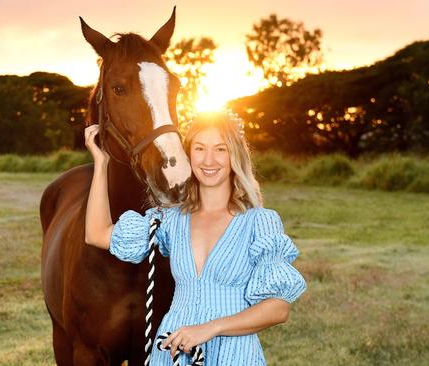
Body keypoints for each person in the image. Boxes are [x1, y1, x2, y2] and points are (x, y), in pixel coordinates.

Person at [84, 111, 307, 365]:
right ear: (188, 154)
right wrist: (101, 165)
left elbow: (278, 308)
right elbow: (97, 234)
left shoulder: (259, 222)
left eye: (220, 149)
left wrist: (210, 328)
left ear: (234, 155)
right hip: (173, 351)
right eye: (200, 148)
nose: (209, 160)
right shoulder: (171, 220)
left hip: (233, 354)